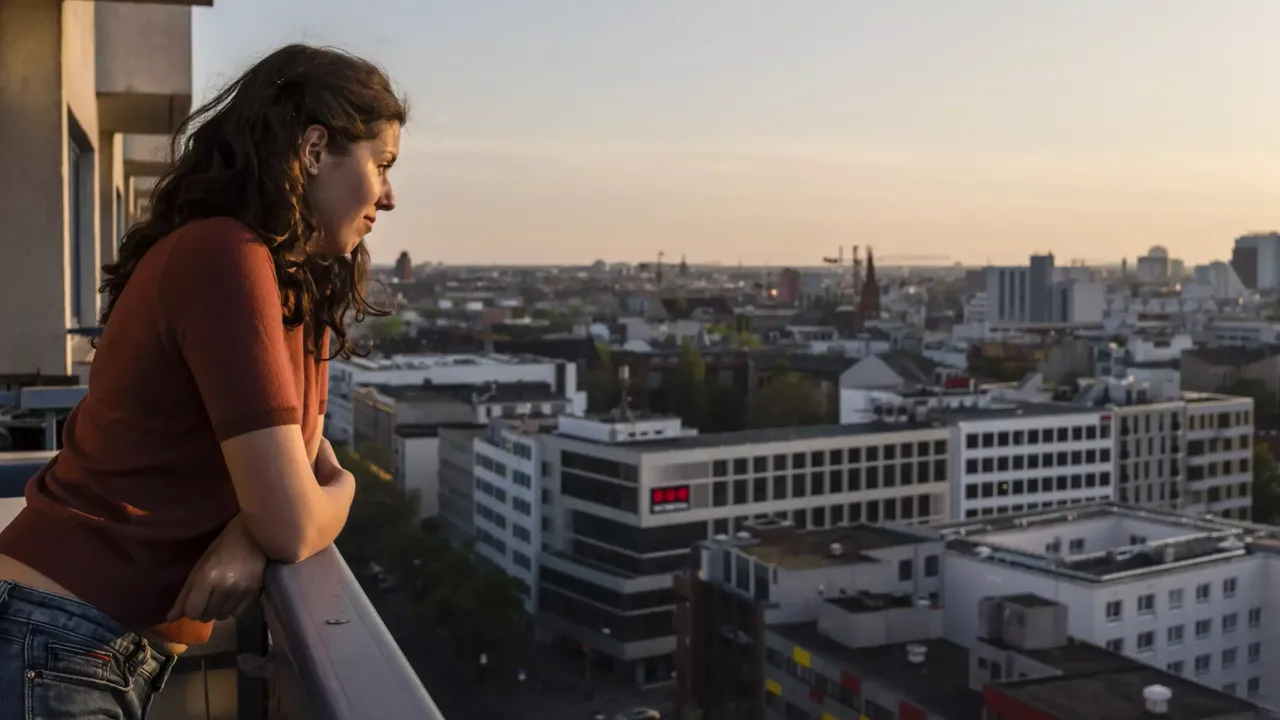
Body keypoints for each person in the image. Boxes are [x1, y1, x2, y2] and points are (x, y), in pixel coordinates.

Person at [0, 43, 404, 718]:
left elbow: (294, 481)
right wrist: (339, 491)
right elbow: (295, 507)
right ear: (312, 149)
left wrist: (258, 527)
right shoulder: (224, 256)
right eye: (382, 164)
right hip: (57, 637)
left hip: (84, 645)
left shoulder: (286, 289)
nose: (389, 197)